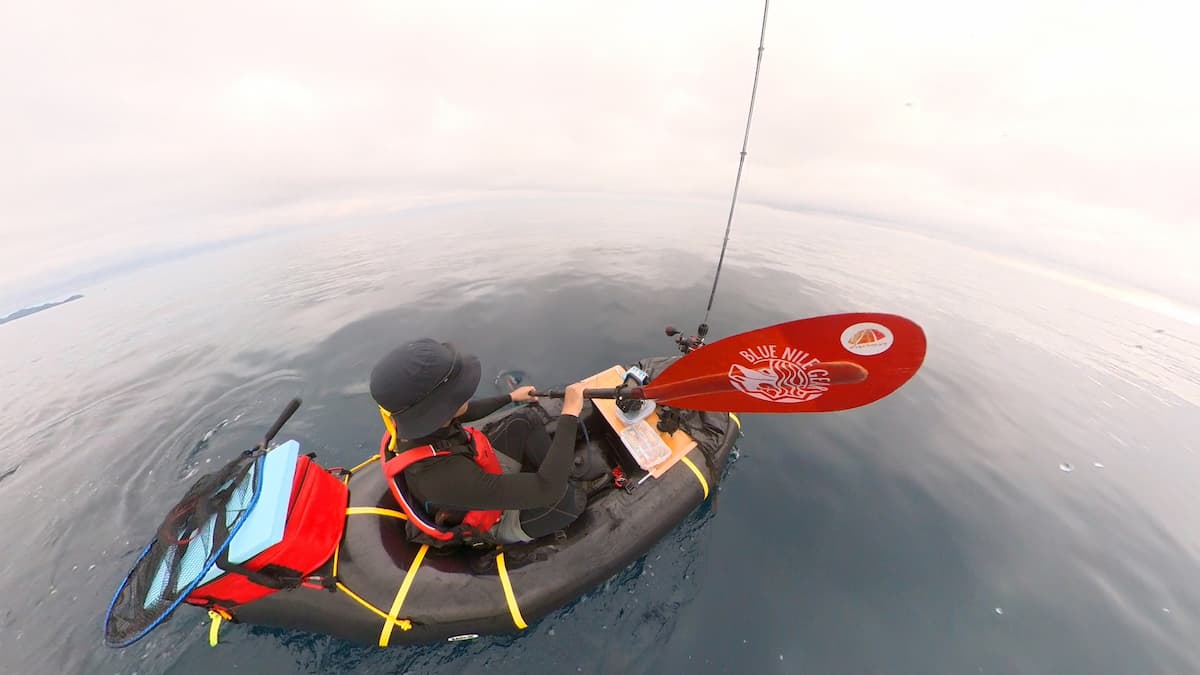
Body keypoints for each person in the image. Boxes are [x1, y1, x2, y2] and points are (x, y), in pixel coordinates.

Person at [370, 338, 588, 547]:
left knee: (525, 421)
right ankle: (558, 484)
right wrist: (570, 413)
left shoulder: (420, 424)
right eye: (456, 392)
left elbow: (462, 411)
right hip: (492, 520)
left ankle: (558, 474)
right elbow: (547, 490)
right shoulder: (443, 477)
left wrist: (510, 397)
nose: (466, 391)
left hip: (475, 476)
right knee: (571, 501)